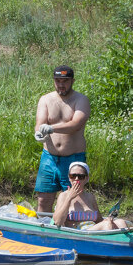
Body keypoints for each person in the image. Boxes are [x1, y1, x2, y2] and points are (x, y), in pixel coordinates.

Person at [34, 65, 90, 214]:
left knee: (73, 201)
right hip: (49, 158)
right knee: (43, 200)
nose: (61, 85)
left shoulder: (81, 100)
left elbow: (75, 124)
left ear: (72, 81)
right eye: (57, 81)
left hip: (73, 158)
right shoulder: (46, 99)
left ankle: (69, 231)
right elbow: (40, 123)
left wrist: (52, 128)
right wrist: (39, 133)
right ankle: (44, 233)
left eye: (65, 81)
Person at [52, 162, 126, 230]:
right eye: (73, 176)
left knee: (120, 222)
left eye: (81, 176)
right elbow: (58, 222)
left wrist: (109, 219)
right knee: (107, 225)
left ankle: (125, 244)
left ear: (86, 178)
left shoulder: (90, 197)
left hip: (92, 229)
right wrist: (69, 198)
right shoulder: (63, 195)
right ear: (69, 178)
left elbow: (99, 220)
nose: (76, 179)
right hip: (77, 233)